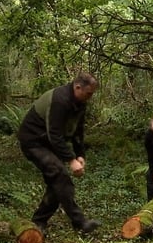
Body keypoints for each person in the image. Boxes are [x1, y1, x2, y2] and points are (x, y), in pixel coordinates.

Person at [18, 72, 101, 234]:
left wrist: (80, 155)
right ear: (78, 87)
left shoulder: (80, 102)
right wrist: (70, 160)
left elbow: (78, 131)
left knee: (57, 182)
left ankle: (39, 221)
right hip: (33, 141)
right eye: (88, 93)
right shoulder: (60, 100)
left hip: (48, 143)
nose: (90, 97)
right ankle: (80, 222)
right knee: (60, 175)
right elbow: (54, 134)